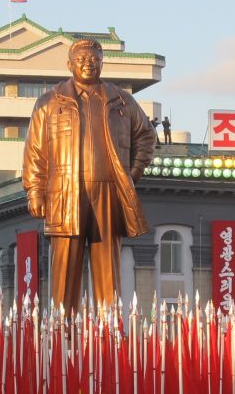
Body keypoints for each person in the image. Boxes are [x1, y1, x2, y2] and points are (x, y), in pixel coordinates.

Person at [22, 38, 156, 313]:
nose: (88, 64)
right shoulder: (49, 102)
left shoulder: (121, 100)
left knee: (108, 266)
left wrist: (132, 172)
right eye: (81, 59)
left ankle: (110, 336)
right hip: (65, 191)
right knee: (64, 267)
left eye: (94, 59)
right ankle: (62, 334)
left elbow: (146, 135)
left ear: (102, 62)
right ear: (69, 64)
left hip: (108, 190)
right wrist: (34, 191)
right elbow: (35, 150)